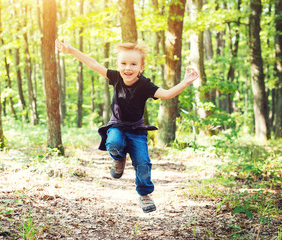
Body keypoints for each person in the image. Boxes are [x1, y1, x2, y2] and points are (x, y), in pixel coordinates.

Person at [55, 39, 199, 213]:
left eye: (133, 64)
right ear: (117, 65)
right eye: (123, 63)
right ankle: (119, 158)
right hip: (117, 126)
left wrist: (185, 82)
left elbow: (167, 94)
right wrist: (71, 50)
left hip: (137, 131)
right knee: (114, 143)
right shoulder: (115, 77)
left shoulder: (145, 85)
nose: (128, 68)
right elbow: (92, 63)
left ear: (141, 67)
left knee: (143, 162)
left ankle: (145, 195)